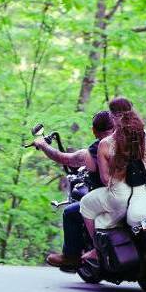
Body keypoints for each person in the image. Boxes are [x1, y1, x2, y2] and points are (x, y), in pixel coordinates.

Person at [79, 106, 146, 259]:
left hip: (122, 194)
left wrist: (122, 182)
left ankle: (98, 250)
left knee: (85, 204)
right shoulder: (145, 136)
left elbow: (105, 180)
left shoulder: (104, 144)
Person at [34, 110, 114, 268]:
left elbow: (62, 158)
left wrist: (42, 144)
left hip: (110, 199)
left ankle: (71, 257)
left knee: (70, 213)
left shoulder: (94, 151)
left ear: (93, 130)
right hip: (138, 195)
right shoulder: (128, 143)